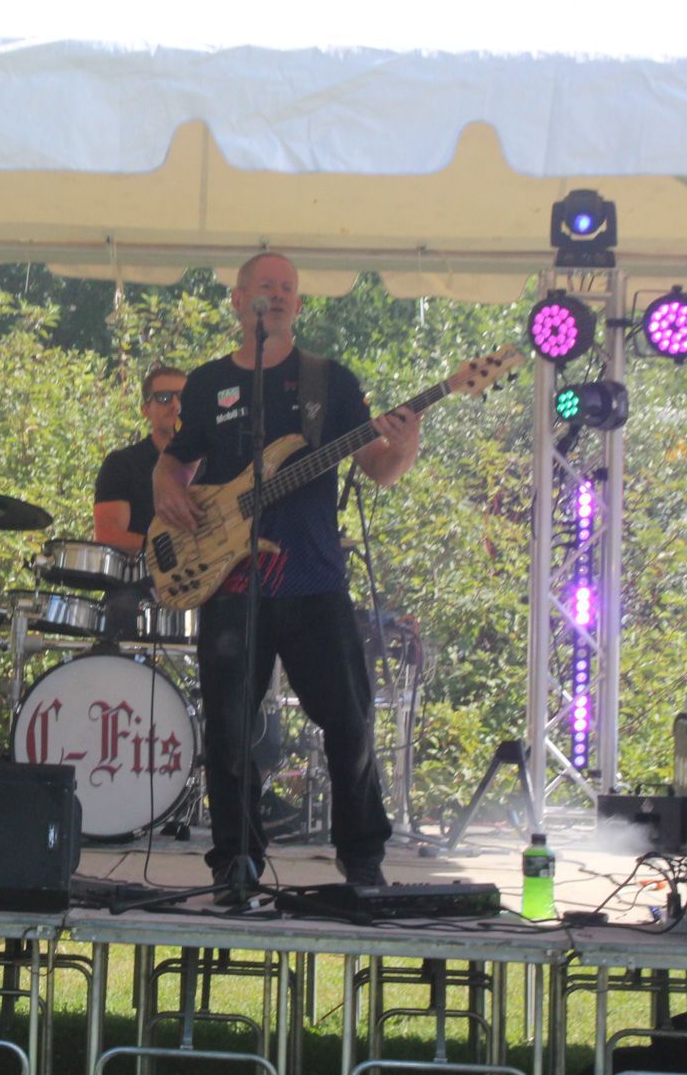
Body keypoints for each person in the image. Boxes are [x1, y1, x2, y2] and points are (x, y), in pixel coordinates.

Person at [152, 253, 419, 902]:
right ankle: (235, 861)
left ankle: (361, 855)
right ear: (240, 299)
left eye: (287, 288)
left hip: (312, 577)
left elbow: (377, 470)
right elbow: (177, 462)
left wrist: (405, 442)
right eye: (264, 286)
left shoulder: (329, 381)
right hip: (230, 583)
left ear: (298, 305)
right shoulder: (210, 381)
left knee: (349, 719)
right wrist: (165, 487)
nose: (275, 296)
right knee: (229, 727)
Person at [93, 364, 185, 553]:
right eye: (164, 397)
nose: (175, 404)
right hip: (141, 578)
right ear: (145, 410)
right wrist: (167, 548)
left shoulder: (212, 460)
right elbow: (107, 536)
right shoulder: (122, 464)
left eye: (183, 396)